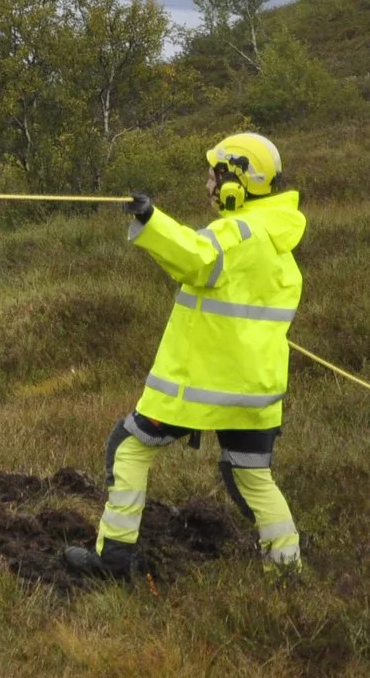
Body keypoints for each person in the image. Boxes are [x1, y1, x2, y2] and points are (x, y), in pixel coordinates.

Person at [66, 133, 305, 581]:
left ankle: (112, 562)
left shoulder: (239, 232)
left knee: (130, 446)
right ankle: (288, 571)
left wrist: (150, 219)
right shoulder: (279, 238)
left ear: (236, 180)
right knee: (252, 477)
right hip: (256, 394)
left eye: (214, 174)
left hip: (201, 388)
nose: (208, 184)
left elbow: (198, 259)